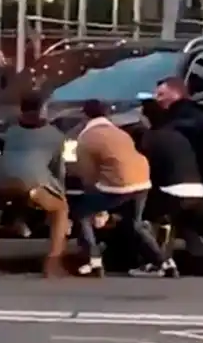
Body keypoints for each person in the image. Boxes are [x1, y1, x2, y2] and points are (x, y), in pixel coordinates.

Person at [72, 100, 174, 277]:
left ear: (84, 116)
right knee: (137, 223)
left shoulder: (86, 137)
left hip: (117, 183)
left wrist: (94, 197)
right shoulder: (119, 132)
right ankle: (164, 262)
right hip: (142, 179)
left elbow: (86, 173)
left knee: (82, 213)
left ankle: (93, 261)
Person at [0, 90, 71, 278]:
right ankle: (53, 261)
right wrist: (60, 190)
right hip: (32, 183)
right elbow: (58, 170)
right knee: (60, 209)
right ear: (43, 109)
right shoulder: (55, 135)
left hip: (0, 180)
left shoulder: (10, 130)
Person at [139, 99, 203, 275]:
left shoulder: (151, 139)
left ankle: (161, 261)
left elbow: (146, 168)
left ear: (147, 118)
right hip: (199, 191)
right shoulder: (178, 136)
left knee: (144, 218)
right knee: (186, 224)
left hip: (173, 192)